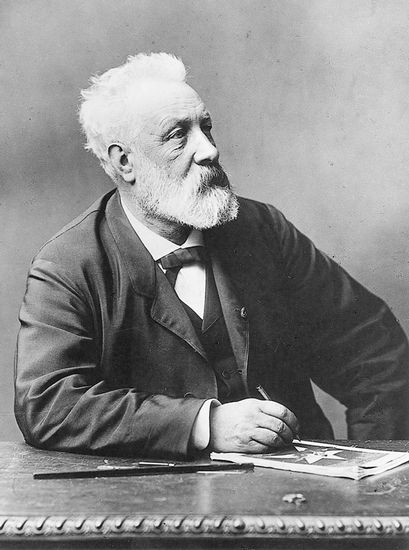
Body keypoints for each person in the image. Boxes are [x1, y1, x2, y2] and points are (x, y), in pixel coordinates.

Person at [14, 53, 409, 458]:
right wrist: (205, 424)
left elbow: (376, 354)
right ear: (125, 162)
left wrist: (372, 469)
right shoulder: (69, 265)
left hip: (297, 486)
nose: (208, 150)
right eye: (178, 135)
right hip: (154, 492)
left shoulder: (263, 230)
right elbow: (48, 405)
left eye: (206, 127)